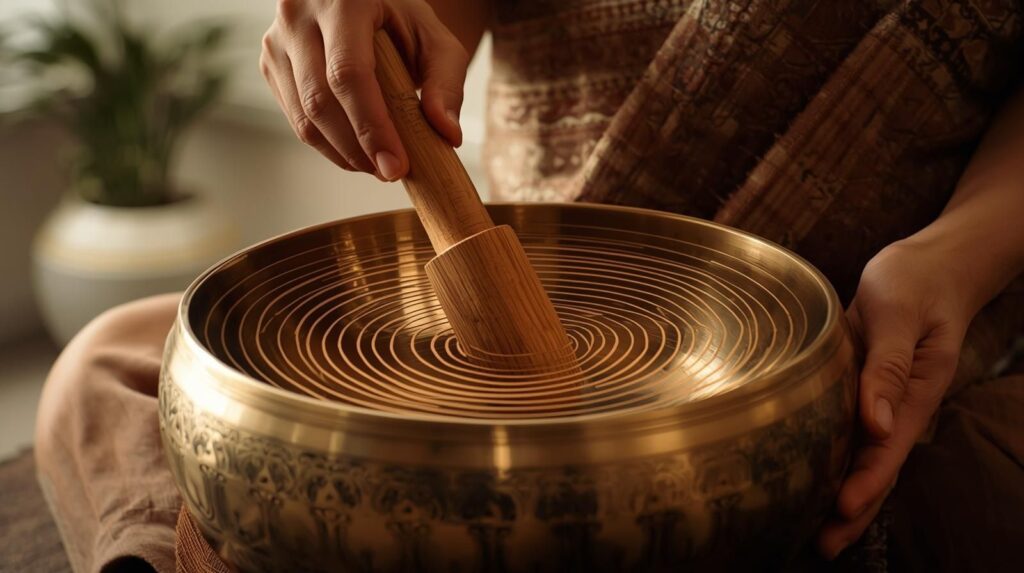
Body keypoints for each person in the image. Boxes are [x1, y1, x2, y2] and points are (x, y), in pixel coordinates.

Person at [35, 0, 1024, 571]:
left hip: (885, 322)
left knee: (967, 482)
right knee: (115, 359)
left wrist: (952, 258)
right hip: (553, 241)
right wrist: (397, 18)